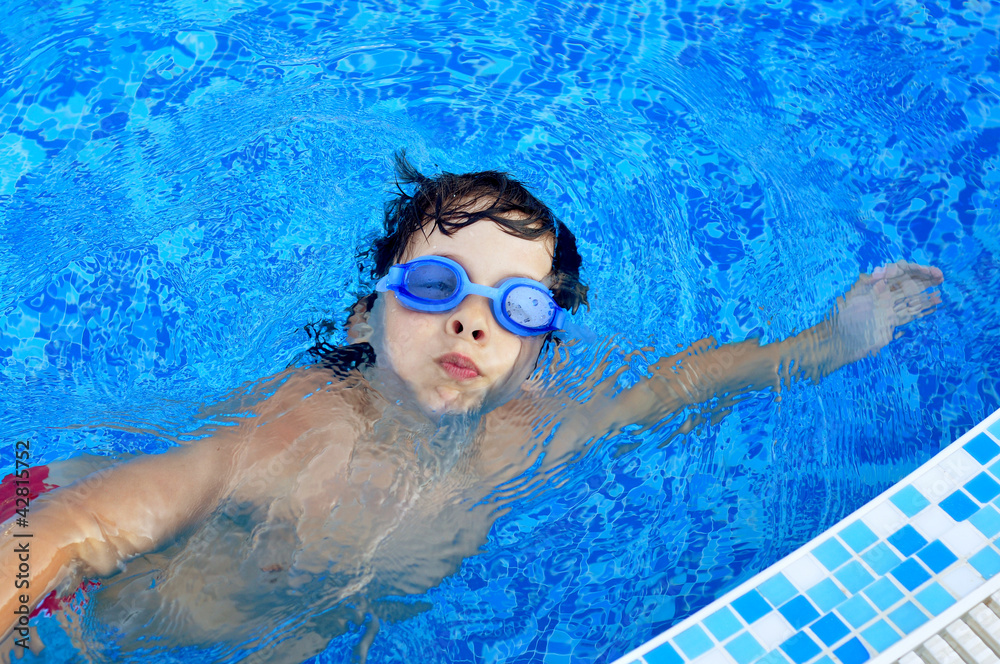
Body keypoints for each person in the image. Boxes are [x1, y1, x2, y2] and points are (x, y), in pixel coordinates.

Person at [0, 153, 943, 662]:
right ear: (367, 315)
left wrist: (830, 341)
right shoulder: (288, 437)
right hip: (68, 567)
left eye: (518, 306)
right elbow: (77, 530)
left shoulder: (538, 429)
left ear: (536, 359)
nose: (472, 320)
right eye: (438, 282)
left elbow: (681, 385)